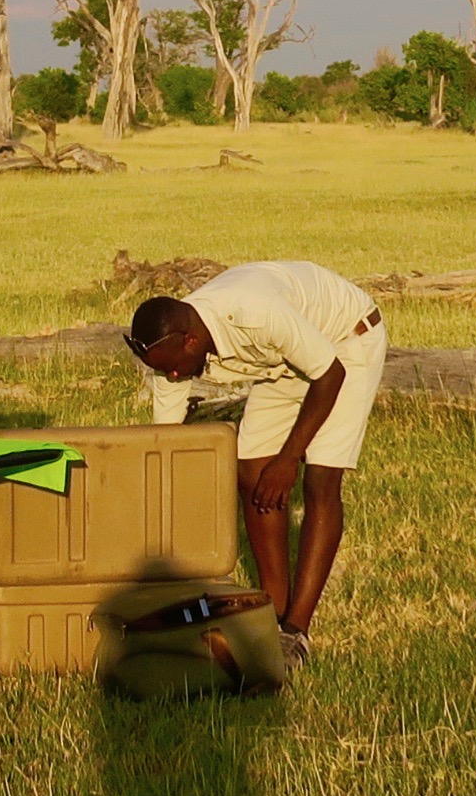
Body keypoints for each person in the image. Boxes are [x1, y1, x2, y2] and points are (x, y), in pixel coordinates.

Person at [124, 261, 387, 665]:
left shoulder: (254, 313)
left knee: (320, 478)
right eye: (163, 371)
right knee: (251, 472)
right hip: (286, 365)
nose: (173, 376)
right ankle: (273, 612)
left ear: (192, 341)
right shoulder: (168, 354)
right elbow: (167, 443)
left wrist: (288, 459)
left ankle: (296, 631)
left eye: (174, 367)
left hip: (346, 343)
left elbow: (329, 374)